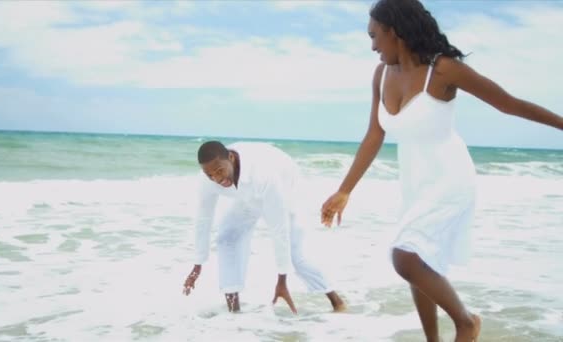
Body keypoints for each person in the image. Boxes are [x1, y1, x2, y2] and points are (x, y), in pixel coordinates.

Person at [320, 0, 563, 341]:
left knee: (405, 257)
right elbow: (375, 134)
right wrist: (345, 190)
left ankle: (466, 322)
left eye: (375, 36)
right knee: (419, 266)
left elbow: (509, 104)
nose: (372, 45)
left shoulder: (444, 70)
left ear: (395, 32)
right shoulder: (381, 74)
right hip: (415, 181)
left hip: (450, 178)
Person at [183, 140, 346, 313]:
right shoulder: (208, 179)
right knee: (227, 238)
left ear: (230, 158)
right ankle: (234, 313)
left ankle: (338, 303)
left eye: (219, 171)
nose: (217, 179)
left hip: (285, 189)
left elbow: (279, 227)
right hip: (248, 195)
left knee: (295, 256)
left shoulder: (263, 174)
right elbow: (203, 219)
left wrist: (282, 280)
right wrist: (198, 264)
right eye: (210, 175)